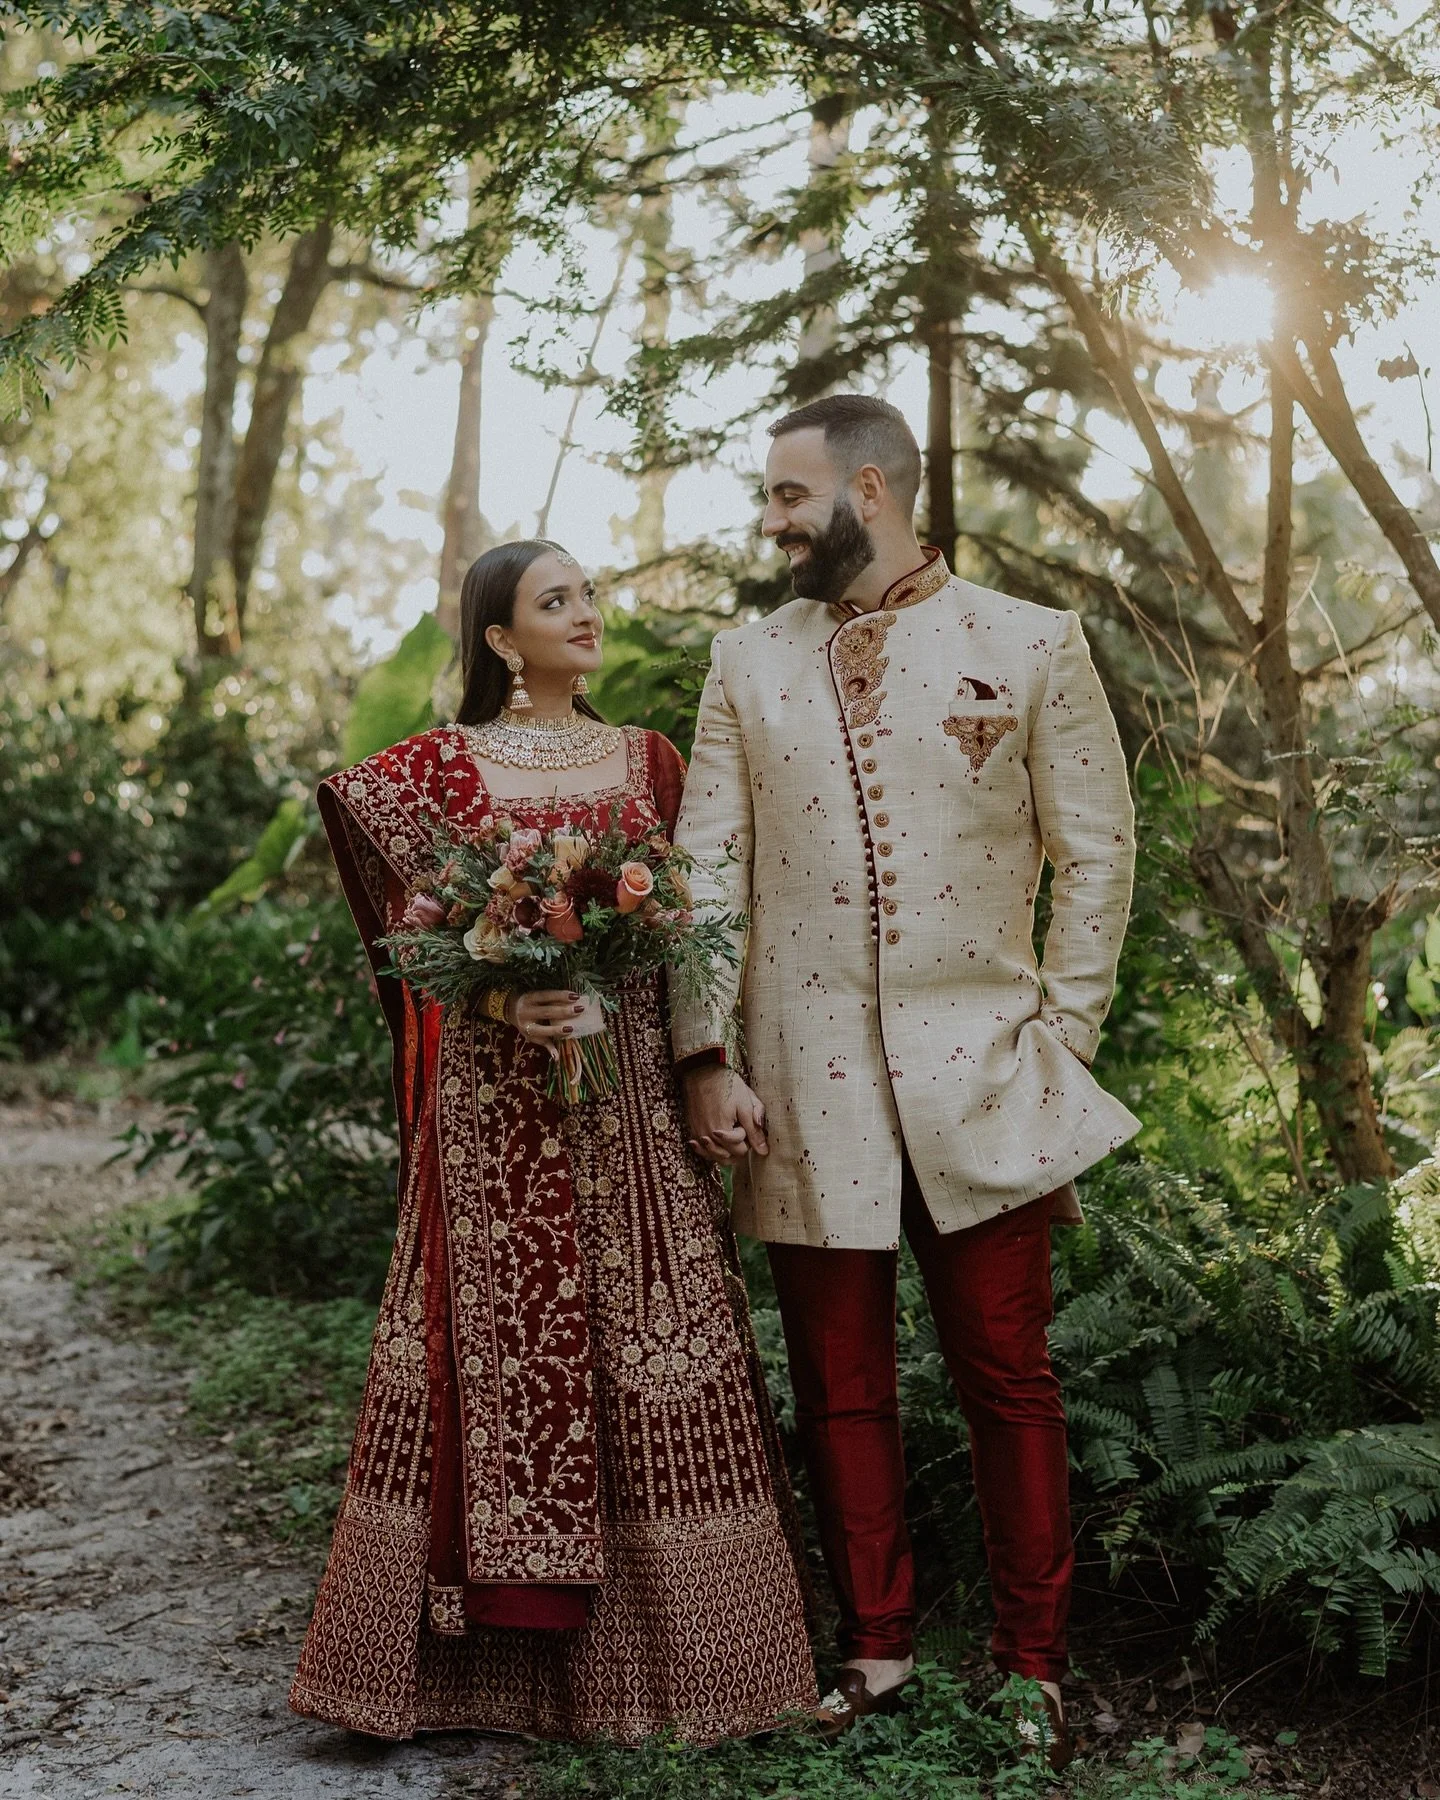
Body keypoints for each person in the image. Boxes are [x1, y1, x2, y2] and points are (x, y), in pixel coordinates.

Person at [672, 395, 1142, 1770]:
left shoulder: (1029, 642)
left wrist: (1068, 1033)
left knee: (1011, 1375)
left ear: (870, 492)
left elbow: (1099, 852)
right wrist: (707, 1051)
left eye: (787, 495)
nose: (770, 520)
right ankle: (875, 1651)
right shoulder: (745, 663)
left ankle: (1031, 1667)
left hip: (990, 1072)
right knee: (838, 1381)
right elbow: (707, 872)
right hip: (801, 1079)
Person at [290, 539, 817, 1745]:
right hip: (491, 1123)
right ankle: (457, 1682)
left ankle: (690, 1677)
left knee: (649, 1355)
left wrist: (699, 1062)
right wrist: (493, 995)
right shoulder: (437, 771)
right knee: (488, 1361)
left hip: (630, 1109)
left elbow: (696, 931)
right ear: (496, 638)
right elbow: (407, 944)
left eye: (588, 594)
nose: (587, 614)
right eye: (556, 600)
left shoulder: (652, 761)